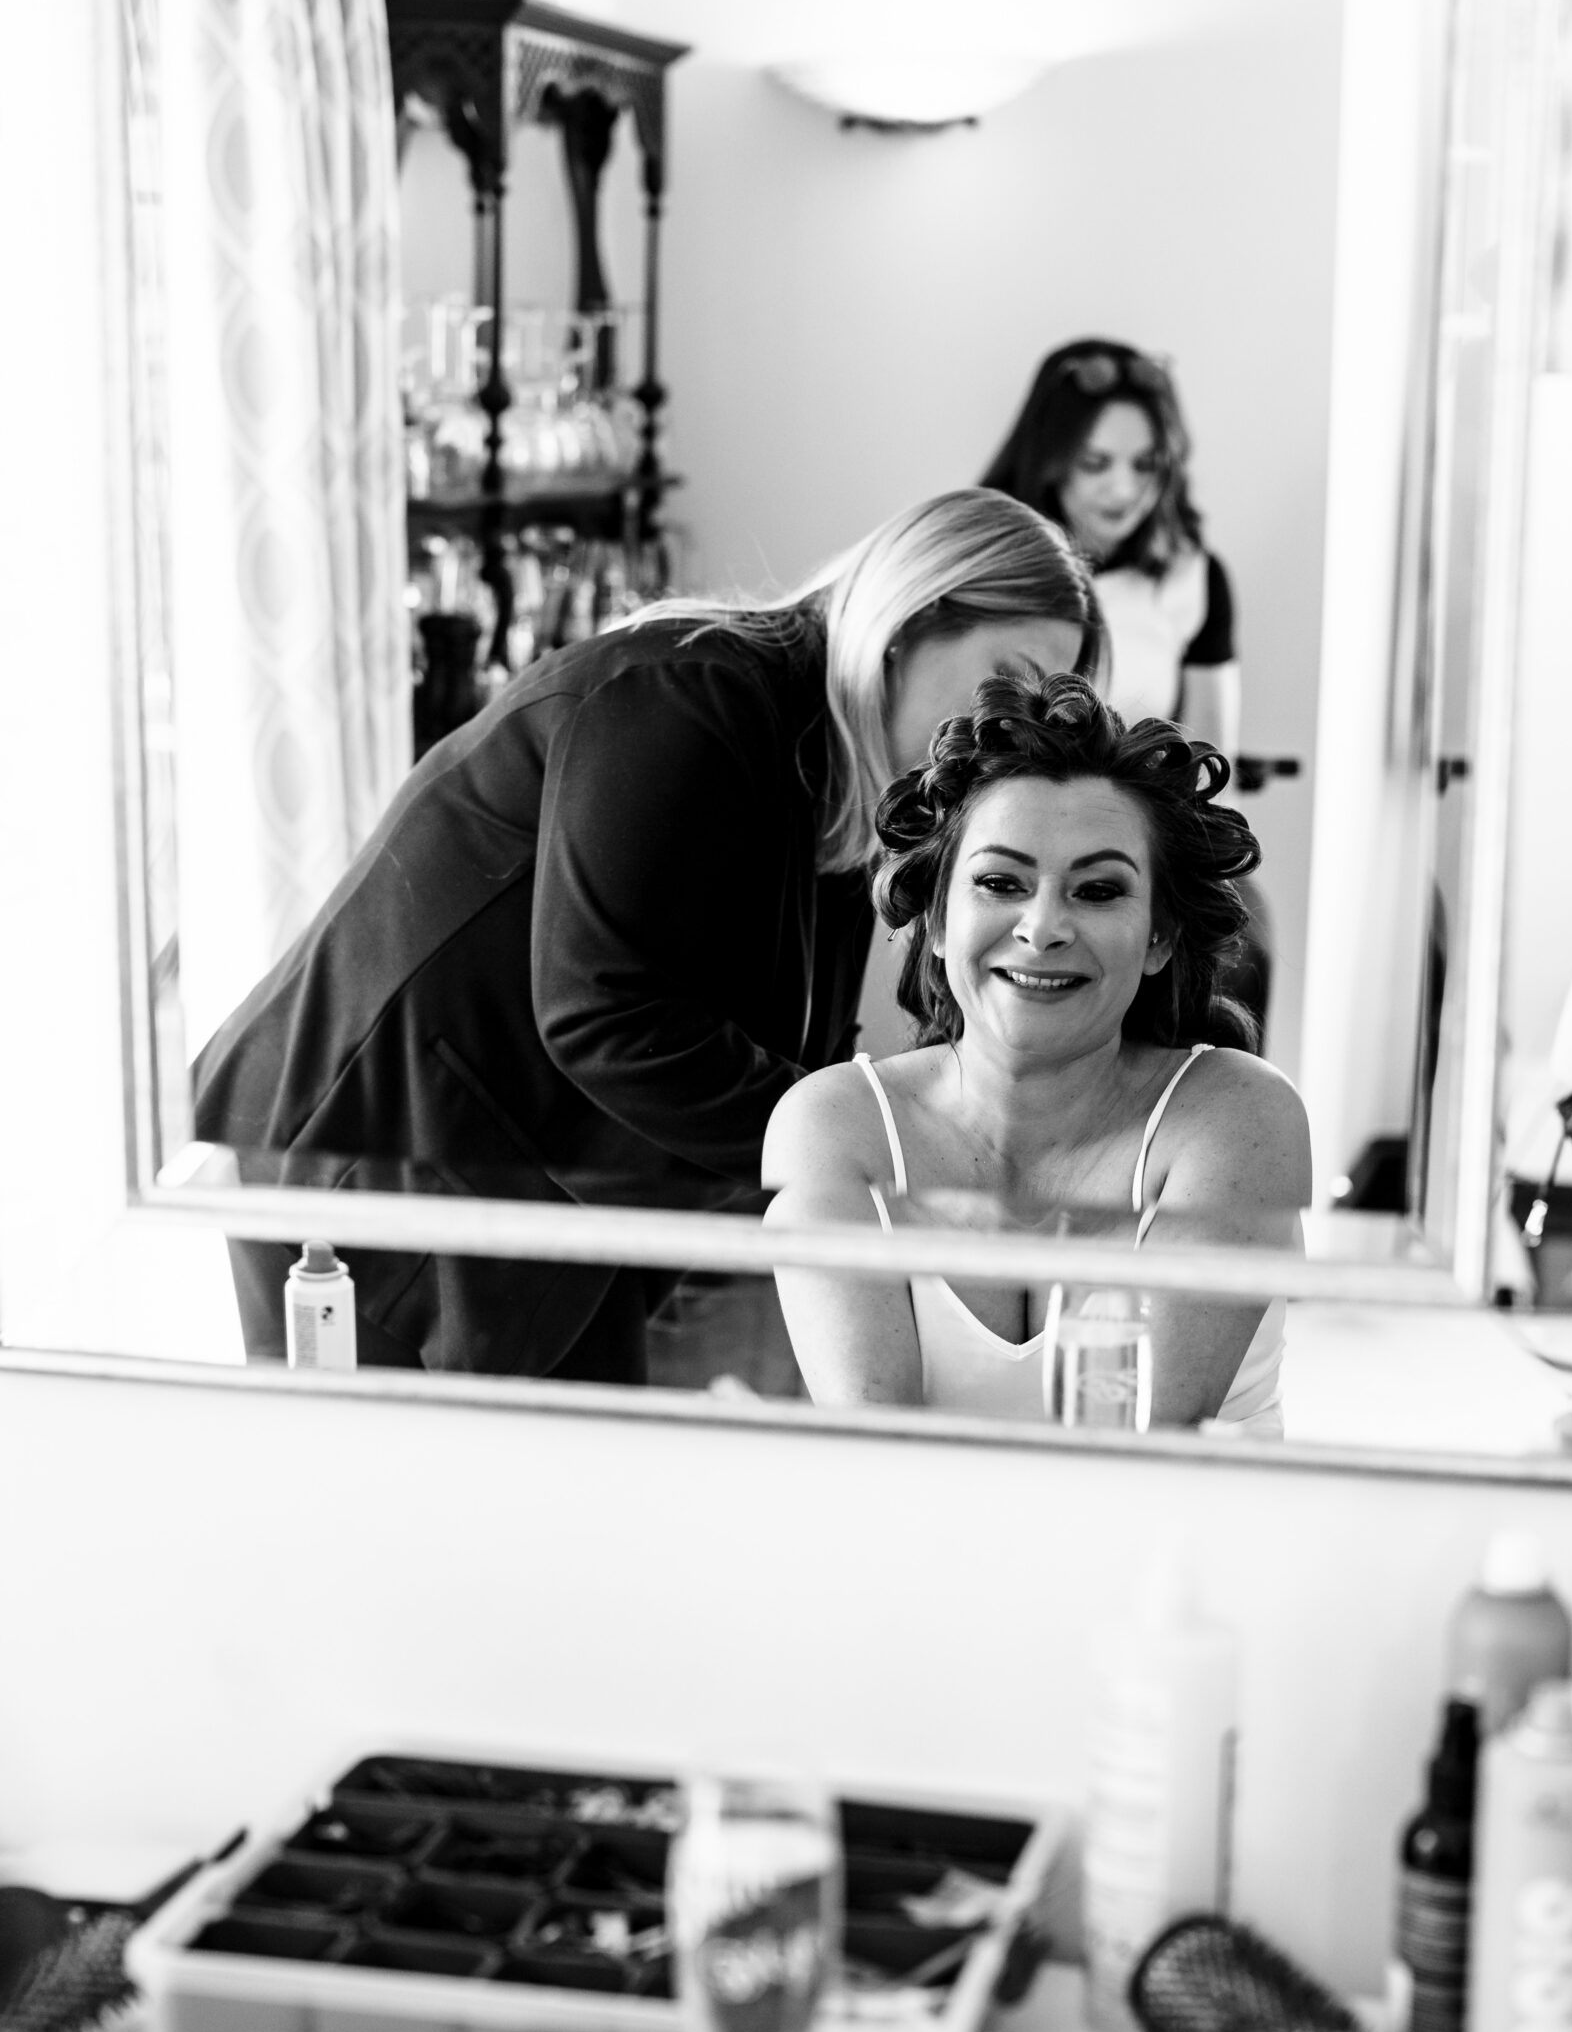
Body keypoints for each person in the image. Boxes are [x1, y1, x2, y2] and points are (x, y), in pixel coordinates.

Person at [193, 491, 1102, 1380]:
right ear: (908, 622)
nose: (1002, 736)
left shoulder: (831, 774)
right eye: (1005, 685)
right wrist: (888, 1157)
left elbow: (811, 1053)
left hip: (506, 1171)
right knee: (428, 1509)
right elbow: (603, 1014)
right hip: (369, 1143)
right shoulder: (688, 693)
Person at [762, 671, 1311, 1431]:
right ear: (939, 921)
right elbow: (877, 1462)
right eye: (999, 882)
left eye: (1097, 891)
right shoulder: (834, 1126)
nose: (1043, 926)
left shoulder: (1239, 1118)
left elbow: (1139, 1448)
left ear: (1159, 937)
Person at [980, 340, 1239, 753]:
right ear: (1049, 461)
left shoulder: (1193, 578)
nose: (1124, 490)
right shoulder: (983, 566)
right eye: (1095, 464)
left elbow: (1212, 770)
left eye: (1146, 465)